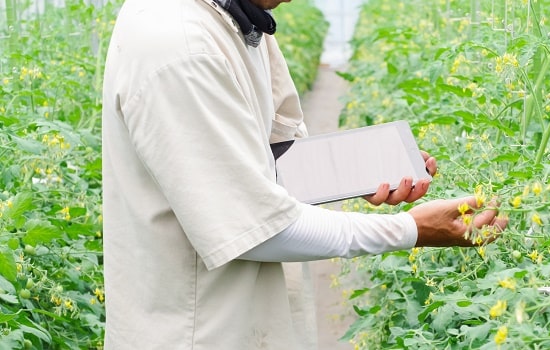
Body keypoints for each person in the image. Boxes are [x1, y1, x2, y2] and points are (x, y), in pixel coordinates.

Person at [100, 0, 508, 348]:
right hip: (199, 332)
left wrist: (355, 170)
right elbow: (256, 227)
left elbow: (260, 158)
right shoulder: (180, 48)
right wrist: (411, 230)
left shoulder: (238, 16)